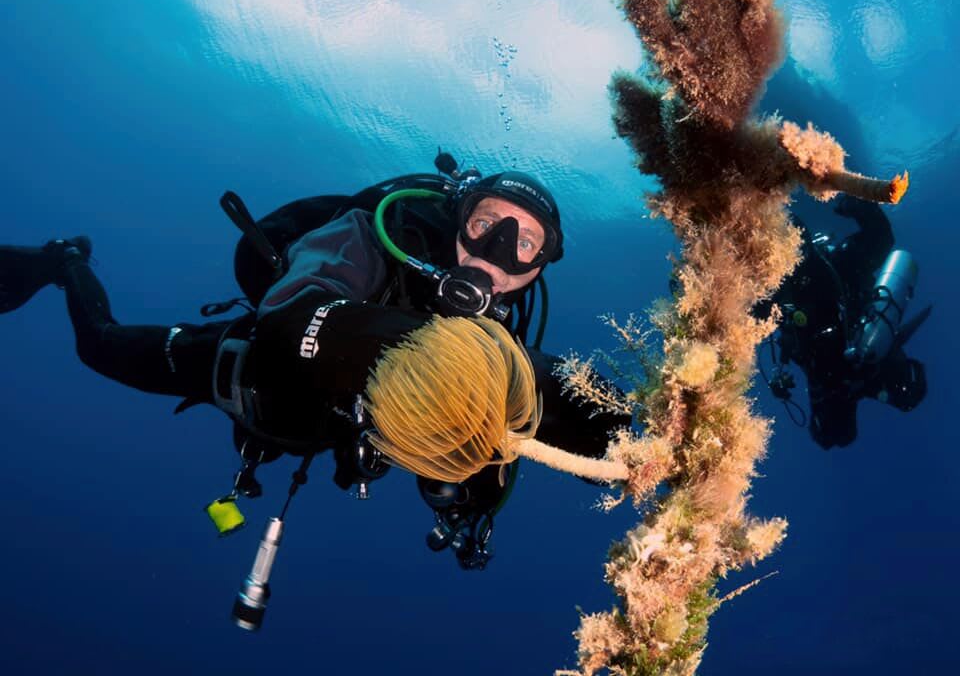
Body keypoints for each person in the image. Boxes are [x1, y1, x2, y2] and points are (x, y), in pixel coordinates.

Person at [0, 151, 628, 575]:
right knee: (98, 345)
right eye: (486, 222)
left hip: (325, 429)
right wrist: (404, 351)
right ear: (459, 217)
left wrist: (643, 443)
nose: (494, 249)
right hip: (249, 378)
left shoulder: (504, 348)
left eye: (522, 243)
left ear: (539, 269)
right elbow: (294, 308)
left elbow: (551, 395)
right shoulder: (377, 233)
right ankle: (65, 261)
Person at [760, 193, 929, 449]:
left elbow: (881, 238)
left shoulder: (838, 264)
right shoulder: (779, 290)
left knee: (904, 396)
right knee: (833, 435)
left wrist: (859, 205)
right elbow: (742, 318)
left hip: (860, 361)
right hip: (837, 375)